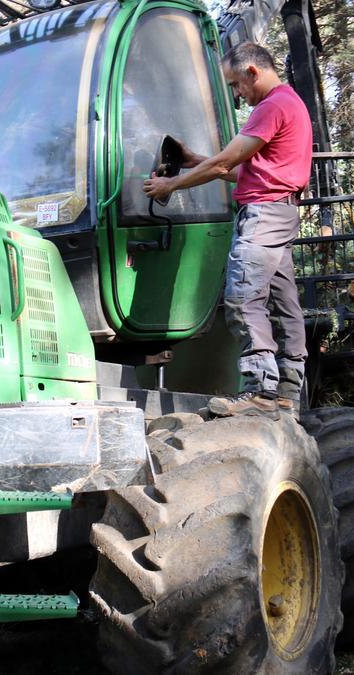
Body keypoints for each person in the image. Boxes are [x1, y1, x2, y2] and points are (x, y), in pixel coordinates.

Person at [143, 42, 312, 419]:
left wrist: (171, 186)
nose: (238, 95)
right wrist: (192, 162)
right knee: (285, 306)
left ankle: (260, 393)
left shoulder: (272, 106)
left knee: (243, 298)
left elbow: (224, 166)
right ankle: (287, 394)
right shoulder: (290, 104)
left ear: (253, 72)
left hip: (264, 217)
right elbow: (244, 170)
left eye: (236, 85)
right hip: (280, 214)